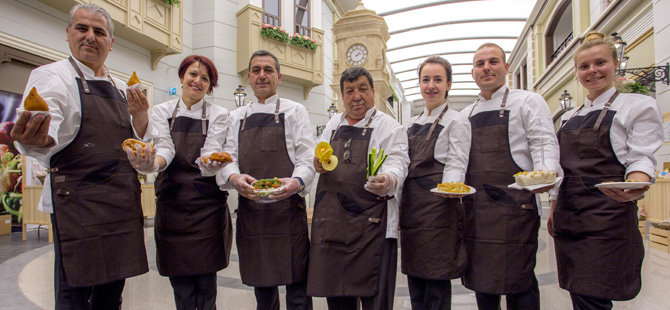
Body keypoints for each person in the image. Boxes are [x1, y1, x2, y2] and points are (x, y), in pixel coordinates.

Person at [10, 3, 150, 309]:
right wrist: (37, 138)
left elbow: (132, 141)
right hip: (78, 203)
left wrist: (140, 118)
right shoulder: (51, 77)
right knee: (75, 292)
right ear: (68, 34)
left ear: (110, 43)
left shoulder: (117, 86)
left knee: (112, 292)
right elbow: (47, 121)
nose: (90, 37)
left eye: (99, 32)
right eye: (82, 29)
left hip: (120, 202)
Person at [549, 31, 663, 310]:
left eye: (600, 63)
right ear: (577, 72)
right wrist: (553, 207)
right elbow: (560, 169)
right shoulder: (569, 116)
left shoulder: (637, 105)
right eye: (584, 66)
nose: (592, 71)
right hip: (569, 214)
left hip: (607, 214)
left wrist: (636, 183)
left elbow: (642, 155)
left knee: (594, 293)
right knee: (578, 289)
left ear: (615, 63)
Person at [125, 55, 233, 310]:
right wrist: (150, 165)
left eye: (205, 78)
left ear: (210, 86)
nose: (198, 81)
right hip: (172, 206)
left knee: (207, 283)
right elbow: (165, 148)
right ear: (182, 77)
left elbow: (212, 148)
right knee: (181, 285)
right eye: (193, 74)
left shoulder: (218, 114)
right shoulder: (162, 111)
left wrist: (210, 164)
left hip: (208, 207)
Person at [458, 43, 562, 310]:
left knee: (520, 282)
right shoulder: (465, 115)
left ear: (506, 68)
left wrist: (546, 179)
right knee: (482, 283)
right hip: (476, 213)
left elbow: (543, 142)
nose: (486, 68)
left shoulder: (528, 101)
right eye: (480, 64)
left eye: (493, 62)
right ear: (473, 73)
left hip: (516, 209)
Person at [218, 50, 314, 310]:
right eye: (256, 70)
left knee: (298, 290)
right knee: (263, 290)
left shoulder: (295, 111)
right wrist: (235, 178)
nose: (262, 75)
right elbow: (228, 159)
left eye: (268, 70)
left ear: (279, 77)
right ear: (248, 77)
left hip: (288, 214)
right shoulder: (236, 117)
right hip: (253, 214)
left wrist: (295, 183)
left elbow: (307, 160)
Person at [307, 66, 410, 310]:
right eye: (349, 91)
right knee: (338, 300)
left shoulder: (390, 127)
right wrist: (316, 163)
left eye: (363, 89)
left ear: (373, 92)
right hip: (333, 226)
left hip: (372, 228)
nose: (357, 96)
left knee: (376, 301)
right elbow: (318, 154)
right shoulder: (333, 123)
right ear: (342, 96)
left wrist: (390, 180)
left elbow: (398, 161)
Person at [400, 56, 470, 309]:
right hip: (411, 212)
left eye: (438, 80)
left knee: (437, 284)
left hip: (439, 210)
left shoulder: (456, 120)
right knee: (416, 282)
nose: (431, 85)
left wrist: (450, 189)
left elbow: (457, 162)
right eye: (426, 79)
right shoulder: (410, 124)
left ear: (448, 84)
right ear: (419, 84)